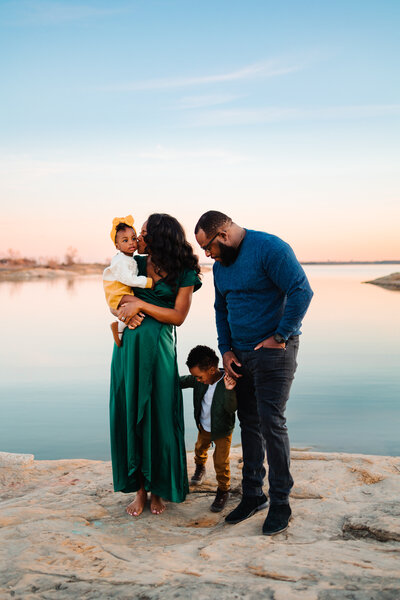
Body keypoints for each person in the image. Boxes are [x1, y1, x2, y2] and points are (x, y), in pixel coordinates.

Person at [195, 211, 313, 535]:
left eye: (208, 247)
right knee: (249, 423)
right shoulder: (221, 267)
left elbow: (302, 291)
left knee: (271, 423)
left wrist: (280, 335)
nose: (207, 255)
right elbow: (221, 309)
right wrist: (226, 349)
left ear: (223, 234)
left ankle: (280, 503)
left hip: (275, 352)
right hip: (239, 355)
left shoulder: (270, 249)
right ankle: (252, 495)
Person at [110, 213, 202, 517]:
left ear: (161, 237)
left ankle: (159, 488)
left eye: (146, 233)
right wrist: (124, 310)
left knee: (160, 413)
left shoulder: (184, 271)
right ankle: (139, 489)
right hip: (130, 349)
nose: (139, 239)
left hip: (160, 349)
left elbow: (177, 316)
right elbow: (113, 293)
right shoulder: (132, 263)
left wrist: (141, 304)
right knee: (132, 411)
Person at [180, 345, 237, 512]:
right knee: (200, 448)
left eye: (199, 377)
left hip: (222, 430)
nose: (197, 380)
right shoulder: (199, 381)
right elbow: (183, 381)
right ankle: (200, 466)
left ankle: (223, 490)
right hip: (204, 426)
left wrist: (229, 391)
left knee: (221, 461)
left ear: (212, 370)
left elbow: (231, 408)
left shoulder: (227, 381)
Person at [103, 215, 153, 347]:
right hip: (117, 294)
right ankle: (119, 327)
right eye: (125, 241)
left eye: (133, 238)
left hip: (122, 293)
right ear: (117, 245)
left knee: (137, 306)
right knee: (139, 304)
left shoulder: (129, 259)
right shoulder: (120, 261)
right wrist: (148, 282)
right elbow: (129, 279)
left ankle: (120, 326)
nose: (131, 242)